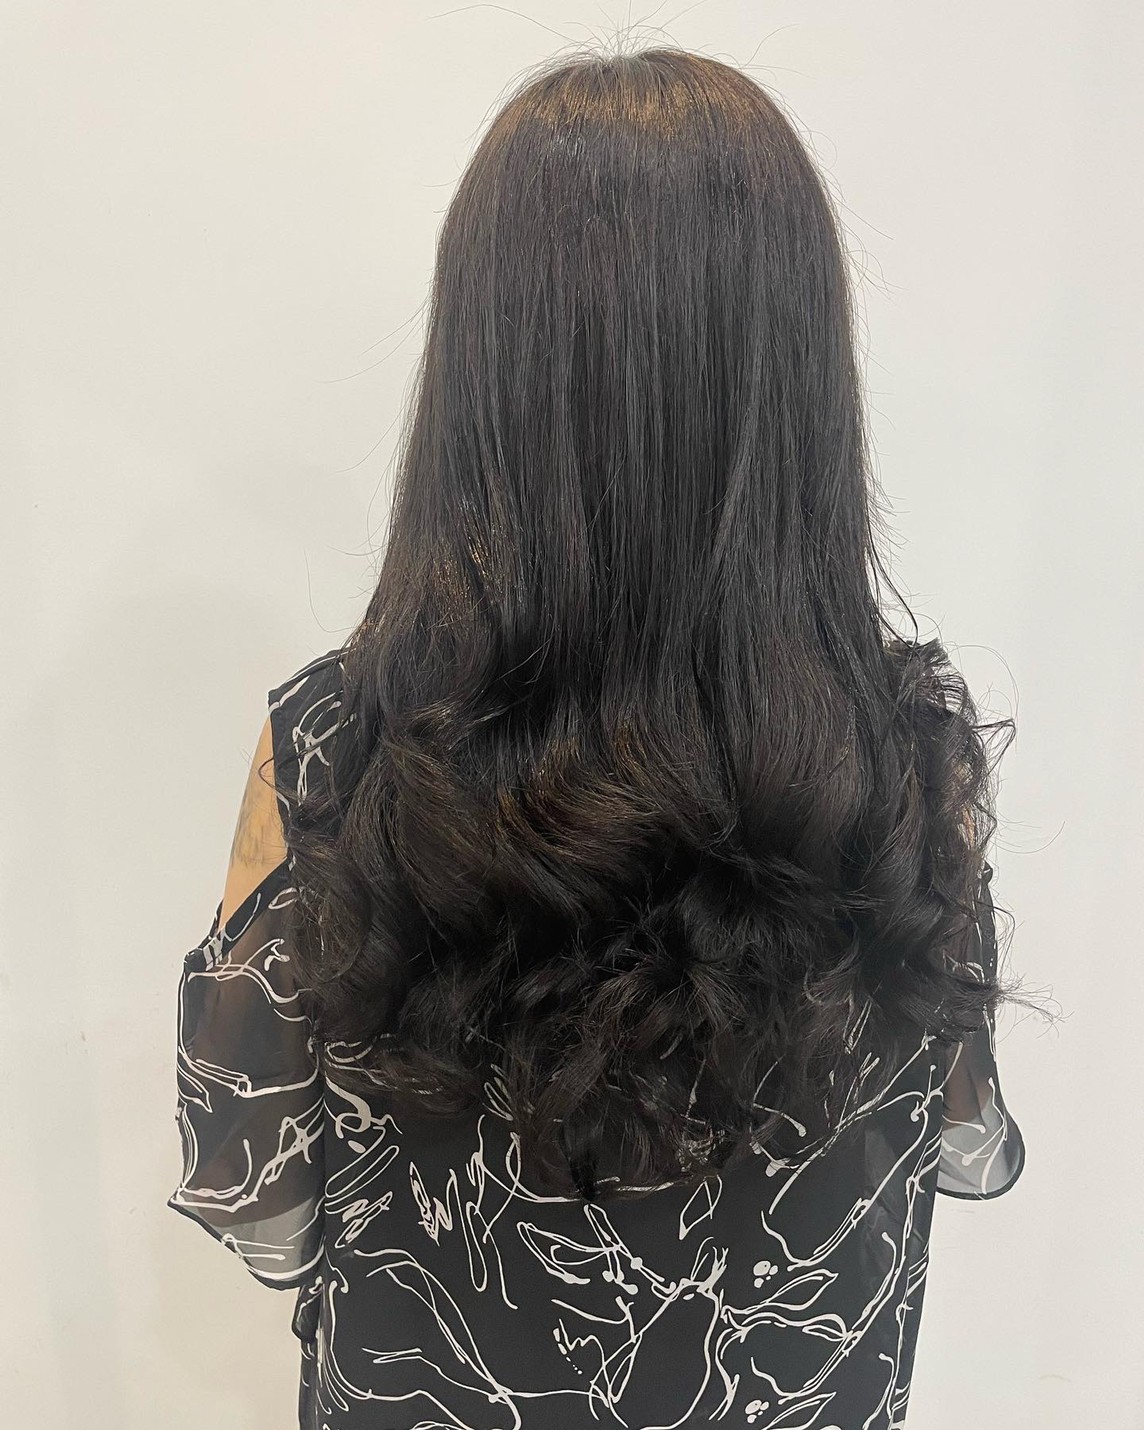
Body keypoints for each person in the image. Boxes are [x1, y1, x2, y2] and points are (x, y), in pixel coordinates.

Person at [167, 44, 1042, 1430]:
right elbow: (949, 1145)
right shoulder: (907, 767)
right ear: (796, 377)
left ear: (485, 374)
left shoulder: (333, 753)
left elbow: (256, 1195)